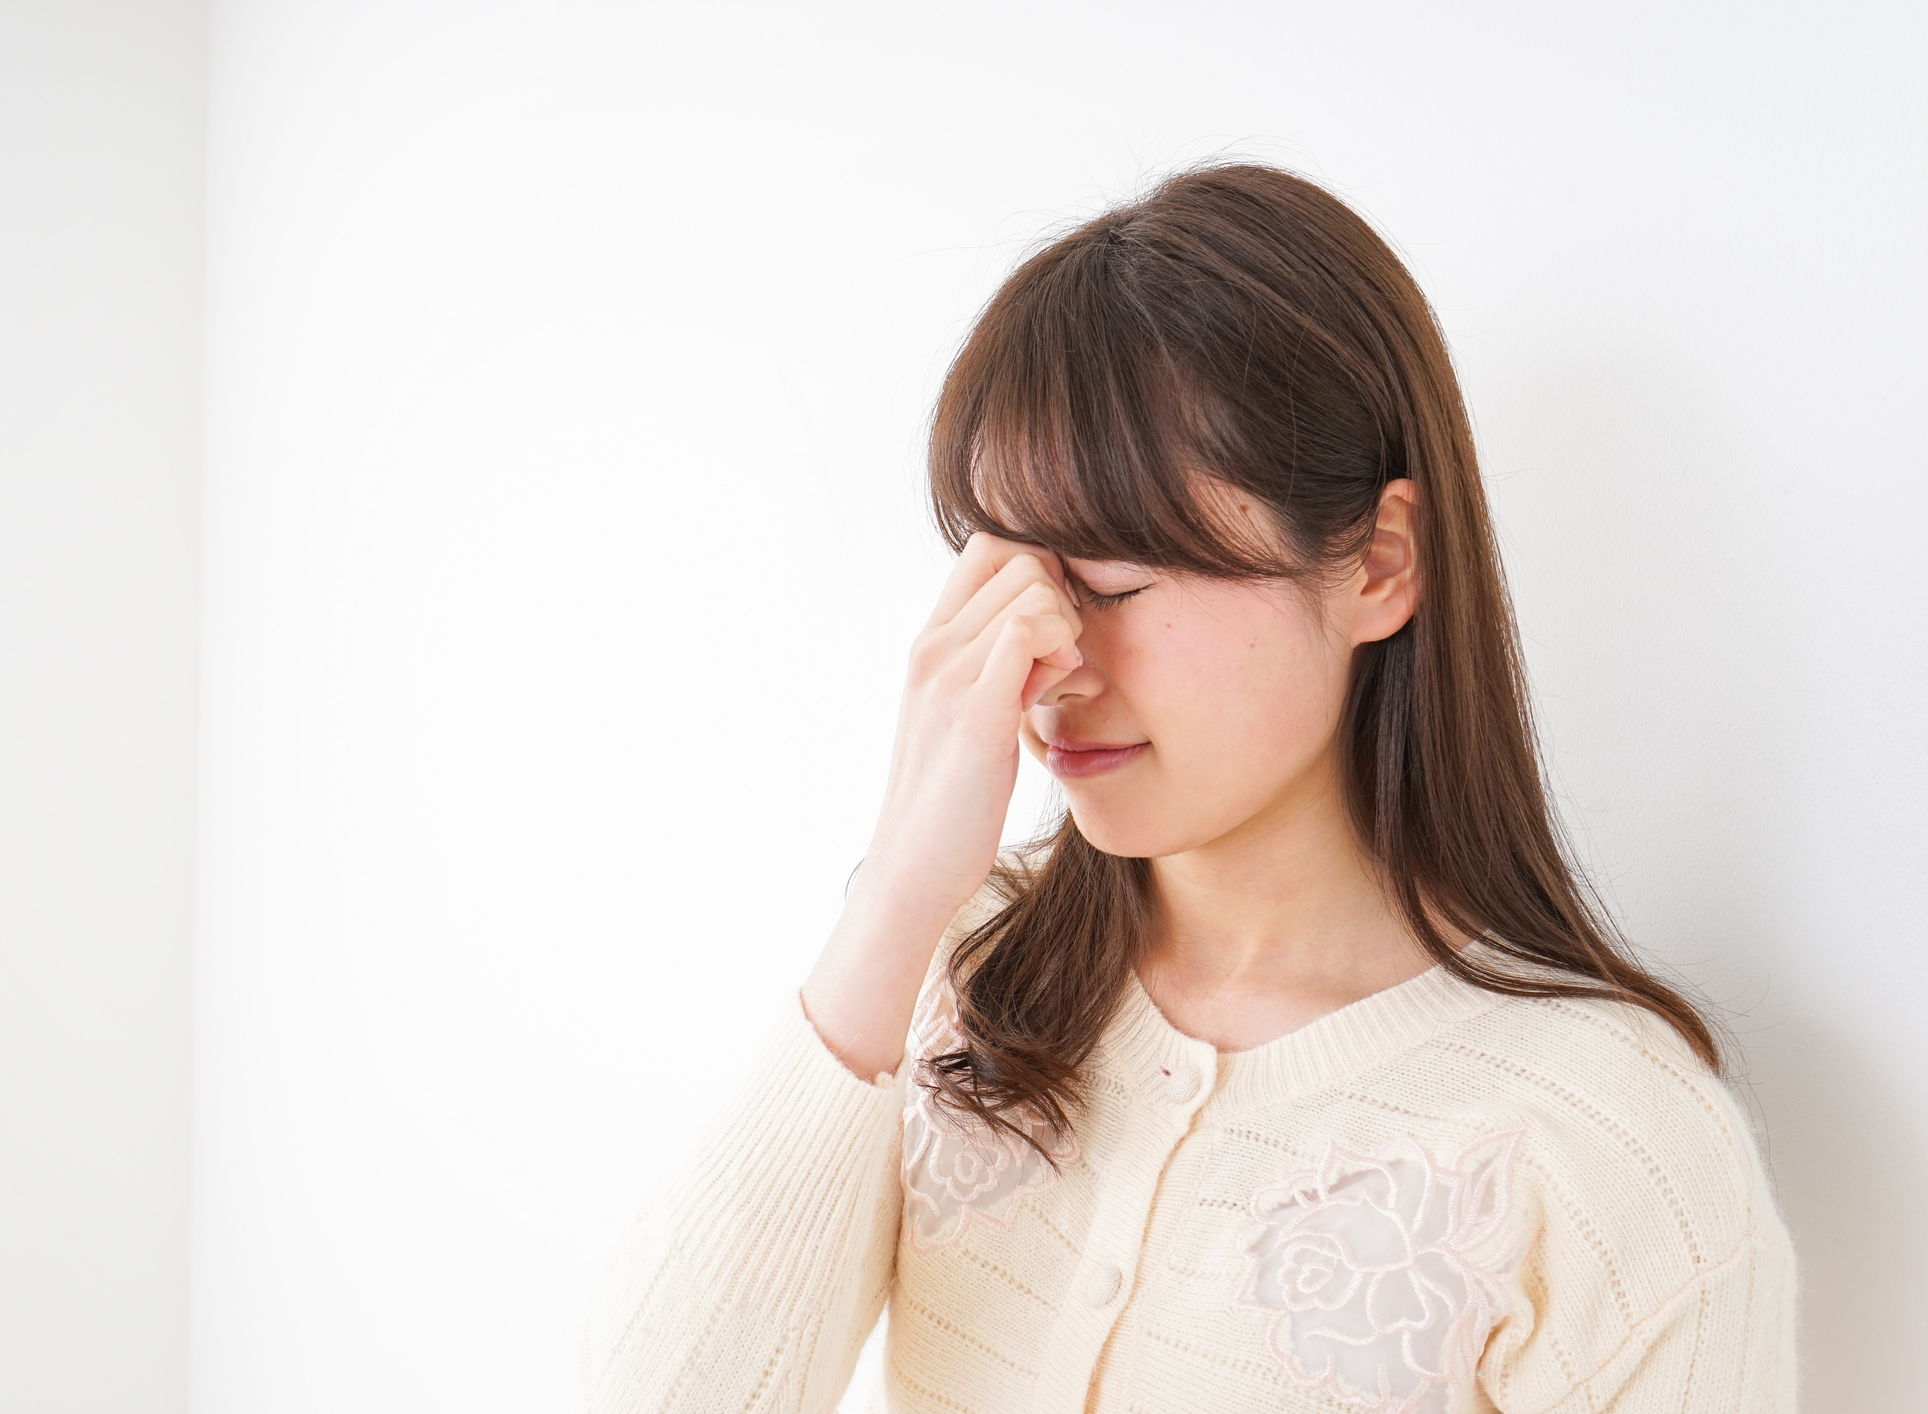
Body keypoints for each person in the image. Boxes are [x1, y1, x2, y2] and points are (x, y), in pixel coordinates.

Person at [580, 164, 1796, 1414]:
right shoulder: (962, 971)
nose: (1049, 657)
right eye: (1007, 575)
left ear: (1380, 562)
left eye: (1112, 582)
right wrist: (895, 890)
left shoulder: (1613, 1143)